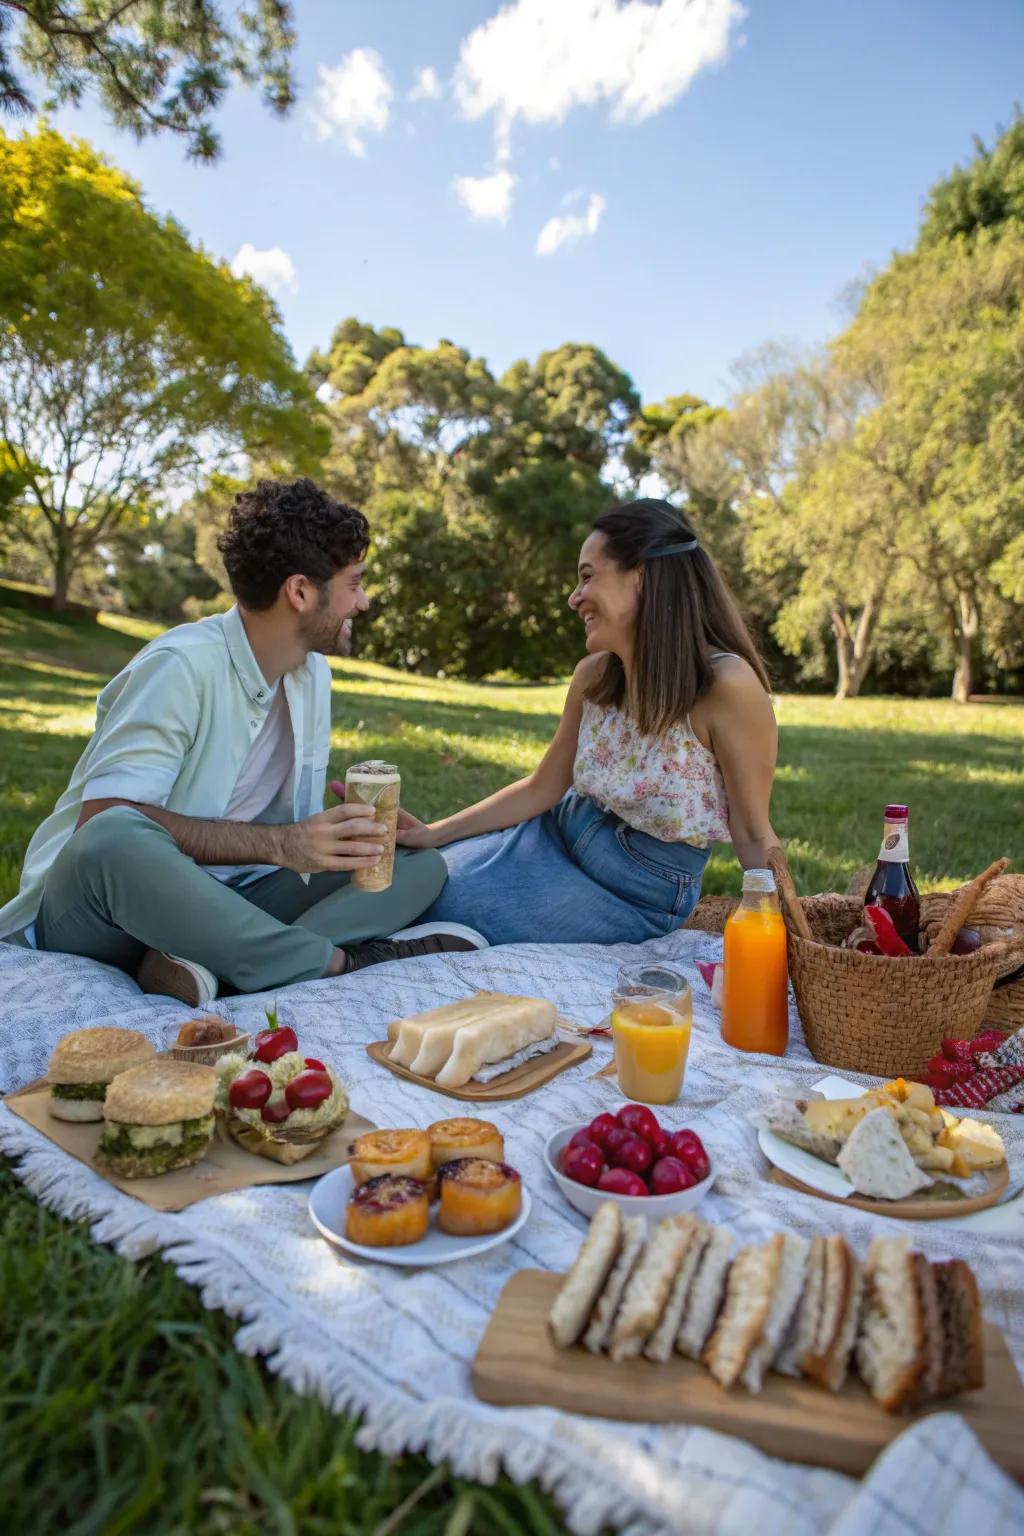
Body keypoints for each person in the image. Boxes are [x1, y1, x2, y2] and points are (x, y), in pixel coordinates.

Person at [0, 478, 483, 1003]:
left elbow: (276, 825)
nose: (363, 602)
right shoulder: (180, 666)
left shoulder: (312, 675)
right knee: (115, 834)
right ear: (300, 592)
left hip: (236, 895)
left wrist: (343, 836)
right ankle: (335, 962)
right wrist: (283, 844)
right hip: (105, 912)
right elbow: (103, 819)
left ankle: (211, 965)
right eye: (354, 583)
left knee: (411, 863)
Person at [398, 498, 780, 945]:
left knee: (443, 913)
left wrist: (787, 937)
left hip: (630, 893)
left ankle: (354, 963)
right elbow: (543, 787)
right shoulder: (596, 676)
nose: (573, 598)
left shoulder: (726, 685)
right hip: (553, 836)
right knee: (414, 881)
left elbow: (753, 832)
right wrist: (433, 834)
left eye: (586, 576)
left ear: (643, 576)